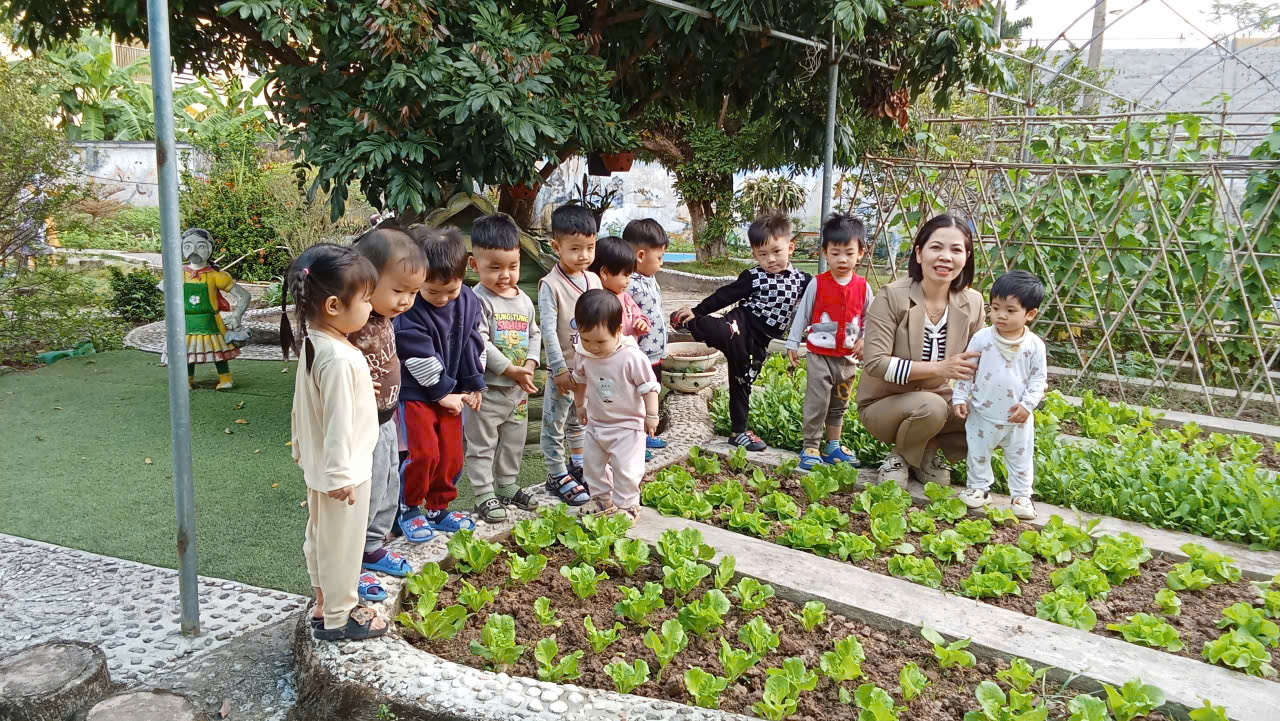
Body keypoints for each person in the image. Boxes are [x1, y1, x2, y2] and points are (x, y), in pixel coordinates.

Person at [280, 243, 387, 641]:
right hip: (346, 473)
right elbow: (339, 421)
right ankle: (340, 618)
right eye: (365, 300)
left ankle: (323, 602)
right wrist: (342, 474)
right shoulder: (341, 358)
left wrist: (299, 446)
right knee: (342, 546)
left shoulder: (315, 342)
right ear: (332, 305)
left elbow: (305, 402)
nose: (370, 308)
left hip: (319, 464)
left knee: (320, 537)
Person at [856, 214, 985, 485]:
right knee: (932, 406)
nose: (945, 257)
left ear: (966, 257)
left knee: (991, 413)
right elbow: (875, 363)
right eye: (936, 247)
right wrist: (940, 368)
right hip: (885, 402)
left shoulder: (973, 303)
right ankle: (900, 457)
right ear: (919, 253)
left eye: (956, 250)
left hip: (938, 399)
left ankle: (927, 450)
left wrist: (1021, 380)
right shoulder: (892, 296)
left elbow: (981, 362)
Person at [673, 213, 811, 451]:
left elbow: (819, 300)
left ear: (791, 248)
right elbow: (726, 295)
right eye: (762, 254)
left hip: (759, 342)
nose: (770, 259)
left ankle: (739, 432)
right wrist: (697, 311)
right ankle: (688, 322)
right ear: (754, 254)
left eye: (777, 252)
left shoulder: (802, 280)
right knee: (721, 329)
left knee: (742, 381)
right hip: (741, 324)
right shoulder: (754, 277)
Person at [347, 228, 426, 602]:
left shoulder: (384, 318)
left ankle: (373, 546)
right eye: (398, 291)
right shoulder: (350, 324)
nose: (406, 301)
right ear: (366, 280)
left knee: (389, 482)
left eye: (413, 293)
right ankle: (351, 561)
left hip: (387, 418)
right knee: (367, 489)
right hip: (362, 426)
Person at [394, 226, 486, 534]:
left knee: (451, 455)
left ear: (462, 276)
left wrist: (473, 383)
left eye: (451, 290)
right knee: (424, 453)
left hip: (452, 391)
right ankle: (408, 507)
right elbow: (417, 355)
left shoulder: (469, 300)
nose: (443, 299)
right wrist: (442, 393)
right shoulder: (410, 310)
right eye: (432, 292)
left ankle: (438, 507)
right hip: (417, 392)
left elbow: (473, 341)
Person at [464, 213, 542, 522]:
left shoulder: (524, 301)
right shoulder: (476, 300)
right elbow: (479, 341)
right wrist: (510, 369)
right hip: (487, 391)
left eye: (512, 266)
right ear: (474, 264)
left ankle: (507, 485)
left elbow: (534, 333)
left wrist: (531, 364)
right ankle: (484, 492)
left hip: (517, 392)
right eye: (494, 267)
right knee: (482, 444)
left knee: (514, 440)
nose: (505, 275)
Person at [954, 271, 1048, 520]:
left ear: (1030, 314)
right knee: (978, 451)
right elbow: (967, 370)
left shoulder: (1034, 345)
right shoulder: (982, 338)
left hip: (1017, 416)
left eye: (1010, 310)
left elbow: (1038, 379)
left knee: (1020, 456)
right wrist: (960, 397)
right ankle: (979, 488)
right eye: (995, 308)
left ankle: (1021, 495)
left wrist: (1028, 405)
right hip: (982, 410)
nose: (1001, 315)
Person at [785, 213, 875, 471]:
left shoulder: (863, 287)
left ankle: (833, 446)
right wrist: (793, 343)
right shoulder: (818, 284)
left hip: (847, 359)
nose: (842, 259)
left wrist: (864, 339)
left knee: (839, 403)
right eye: (835, 253)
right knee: (818, 400)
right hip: (820, 356)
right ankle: (810, 445)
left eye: (849, 253)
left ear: (861, 253)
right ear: (825, 253)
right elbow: (803, 314)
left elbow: (870, 319)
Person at [572, 289, 661, 518]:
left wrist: (652, 415)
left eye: (600, 341)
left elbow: (649, 387)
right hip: (597, 421)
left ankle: (628, 505)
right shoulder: (583, 353)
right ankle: (602, 499)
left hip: (627, 424)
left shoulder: (631, 356)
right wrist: (580, 405)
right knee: (592, 465)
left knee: (626, 468)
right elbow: (580, 381)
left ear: (619, 330)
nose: (593, 347)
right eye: (586, 339)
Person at [538, 204, 600, 506]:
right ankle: (556, 473)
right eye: (575, 248)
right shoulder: (550, 285)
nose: (584, 255)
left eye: (590, 247)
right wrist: (559, 369)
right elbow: (548, 331)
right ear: (556, 247)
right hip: (562, 372)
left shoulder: (594, 281)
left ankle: (577, 462)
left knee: (580, 418)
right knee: (555, 424)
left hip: (588, 369)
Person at [176, 228, 251, 390]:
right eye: (188, 246)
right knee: (186, 352)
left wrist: (237, 315)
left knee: (219, 351)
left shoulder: (216, 276)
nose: (194, 250)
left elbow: (244, 295)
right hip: (186, 323)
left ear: (210, 248)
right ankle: (186, 380)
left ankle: (225, 379)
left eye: (201, 246)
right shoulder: (178, 274)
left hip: (211, 322)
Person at [622, 218, 671, 452]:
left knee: (652, 392)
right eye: (659, 258)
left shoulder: (650, 278)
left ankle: (647, 434)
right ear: (640, 256)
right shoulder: (628, 283)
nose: (662, 263)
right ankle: (636, 440)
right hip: (639, 355)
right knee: (636, 399)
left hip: (655, 354)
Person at [588, 235, 651, 338]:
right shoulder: (593, 300)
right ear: (605, 273)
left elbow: (637, 315)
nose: (628, 280)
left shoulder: (625, 297)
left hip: (628, 347)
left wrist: (641, 322)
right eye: (626, 275)